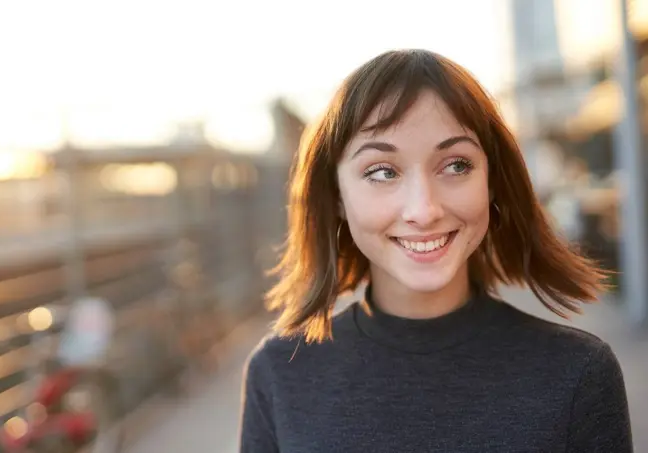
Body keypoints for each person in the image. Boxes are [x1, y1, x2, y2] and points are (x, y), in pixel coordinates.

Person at [239, 49, 633, 452]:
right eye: (381, 172)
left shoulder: (578, 374)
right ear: (336, 195)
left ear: (492, 181)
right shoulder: (277, 375)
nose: (424, 210)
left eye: (456, 165)